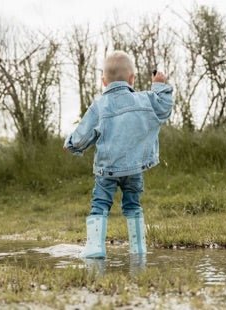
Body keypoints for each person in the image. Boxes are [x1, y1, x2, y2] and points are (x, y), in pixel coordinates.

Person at [64, 50, 173, 258]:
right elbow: (164, 108)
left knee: (100, 203)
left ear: (104, 81)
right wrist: (159, 85)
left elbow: (83, 133)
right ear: (132, 79)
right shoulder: (144, 100)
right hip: (134, 167)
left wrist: (71, 145)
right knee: (133, 204)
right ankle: (138, 248)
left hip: (107, 169)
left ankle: (95, 248)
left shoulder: (100, 105)